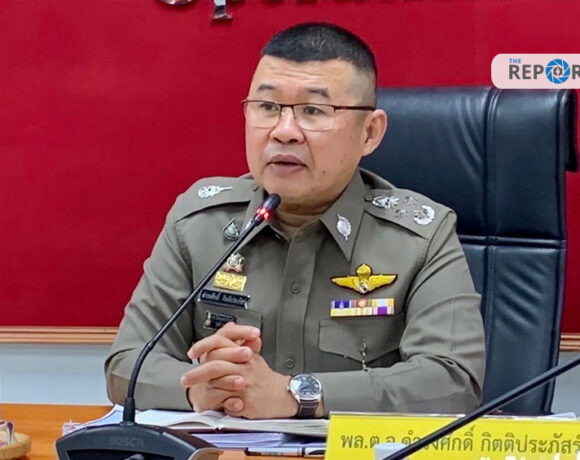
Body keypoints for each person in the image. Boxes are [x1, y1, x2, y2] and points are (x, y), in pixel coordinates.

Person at [105, 22, 485, 419]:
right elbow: (127, 364)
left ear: (370, 133)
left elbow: (453, 381)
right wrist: (199, 388)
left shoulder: (421, 237)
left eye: (313, 111)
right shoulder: (199, 222)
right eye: (267, 107)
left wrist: (296, 395)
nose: (284, 132)